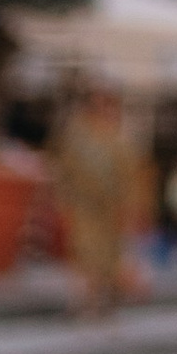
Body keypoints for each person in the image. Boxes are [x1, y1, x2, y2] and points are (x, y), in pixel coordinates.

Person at [50, 78, 135, 317]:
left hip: (110, 210)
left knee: (109, 257)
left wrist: (130, 207)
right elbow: (63, 169)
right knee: (83, 254)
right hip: (82, 207)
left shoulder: (118, 139)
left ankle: (105, 301)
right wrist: (61, 201)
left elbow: (130, 176)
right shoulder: (76, 135)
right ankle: (85, 303)